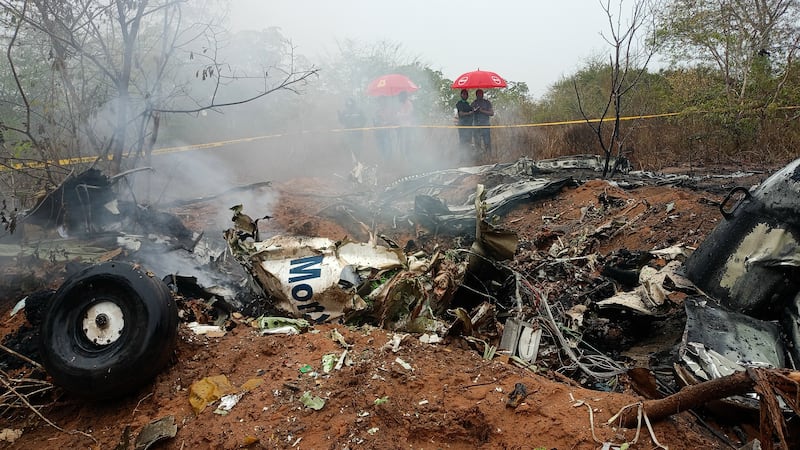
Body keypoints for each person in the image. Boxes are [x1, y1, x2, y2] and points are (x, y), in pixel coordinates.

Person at [470, 89, 494, 154]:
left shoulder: (487, 102)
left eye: (481, 93)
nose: (480, 95)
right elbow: (470, 114)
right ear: (476, 95)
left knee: (487, 142)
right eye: (478, 94)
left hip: (485, 125)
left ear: (483, 94)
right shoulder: (473, 103)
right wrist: (474, 111)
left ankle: (488, 156)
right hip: (476, 126)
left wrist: (482, 111)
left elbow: (492, 113)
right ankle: (479, 156)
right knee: (477, 143)